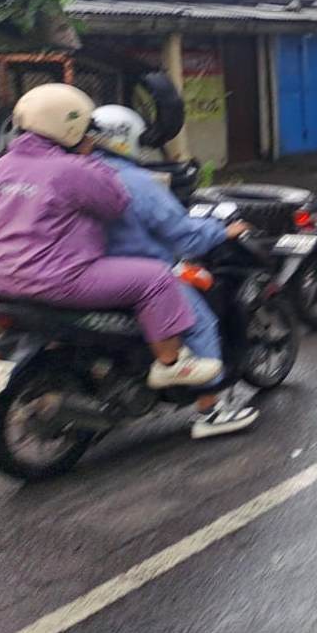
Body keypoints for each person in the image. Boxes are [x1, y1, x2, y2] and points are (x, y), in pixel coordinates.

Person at [0, 84, 221, 389]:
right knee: (156, 278)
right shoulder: (72, 169)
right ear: (70, 127)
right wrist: (88, 157)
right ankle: (171, 363)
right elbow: (115, 203)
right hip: (58, 278)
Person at [89, 106, 260, 438]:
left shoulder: (78, 173)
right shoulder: (135, 181)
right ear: (124, 138)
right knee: (201, 323)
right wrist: (221, 231)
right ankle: (210, 411)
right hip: (142, 272)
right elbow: (182, 234)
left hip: (87, 273)